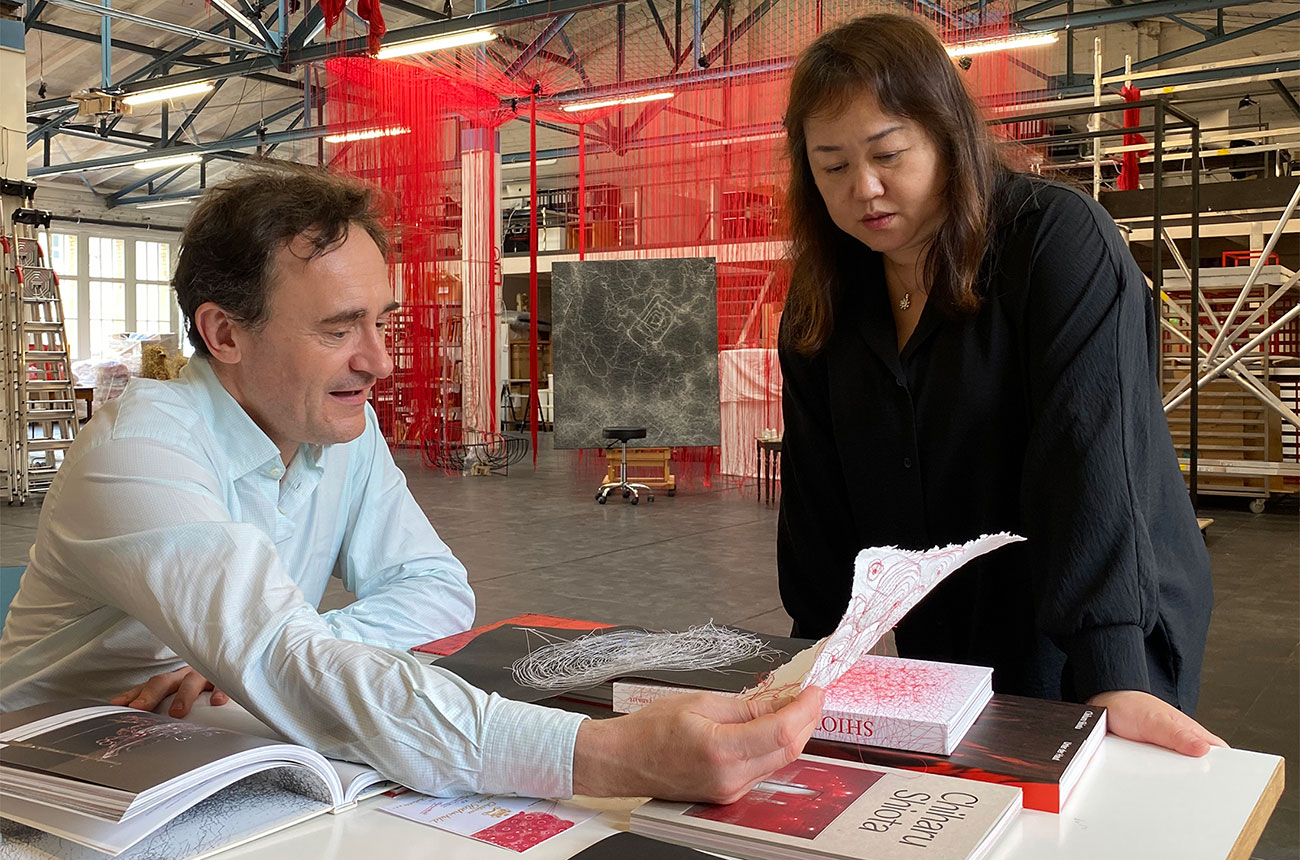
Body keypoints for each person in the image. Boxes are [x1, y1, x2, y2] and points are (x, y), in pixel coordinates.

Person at [0, 165, 822, 803]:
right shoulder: (141, 449)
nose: (381, 362)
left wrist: (273, 655)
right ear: (223, 333)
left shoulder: (335, 426)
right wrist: (606, 754)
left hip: (213, 744)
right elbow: (284, 656)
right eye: (337, 329)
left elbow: (434, 589)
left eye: (381, 321)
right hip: (51, 775)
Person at [776, 14, 1224, 757]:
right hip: (950, 611)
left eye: (889, 153)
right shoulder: (824, 299)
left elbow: (1091, 455)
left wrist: (1115, 670)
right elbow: (818, 495)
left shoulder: (1054, 241)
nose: (865, 187)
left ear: (948, 135)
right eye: (832, 166)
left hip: (1104, 598)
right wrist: (812, 660)